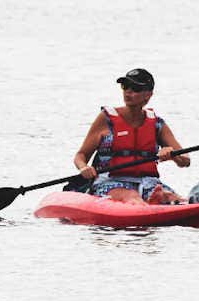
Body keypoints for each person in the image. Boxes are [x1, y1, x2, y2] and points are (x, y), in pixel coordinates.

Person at [72, 68, 191, 205]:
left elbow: (186, 160)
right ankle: (146, 204)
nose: (128, 91)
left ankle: (160, 200)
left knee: (172, 197)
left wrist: (173, 154)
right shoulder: (106, 119)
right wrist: (83, 168)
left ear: (148, 95)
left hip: (148, 182)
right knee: (132, 197)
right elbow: (80, 155)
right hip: (111, 181)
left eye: (135, 88)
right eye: (125, 86)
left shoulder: (157, 124)